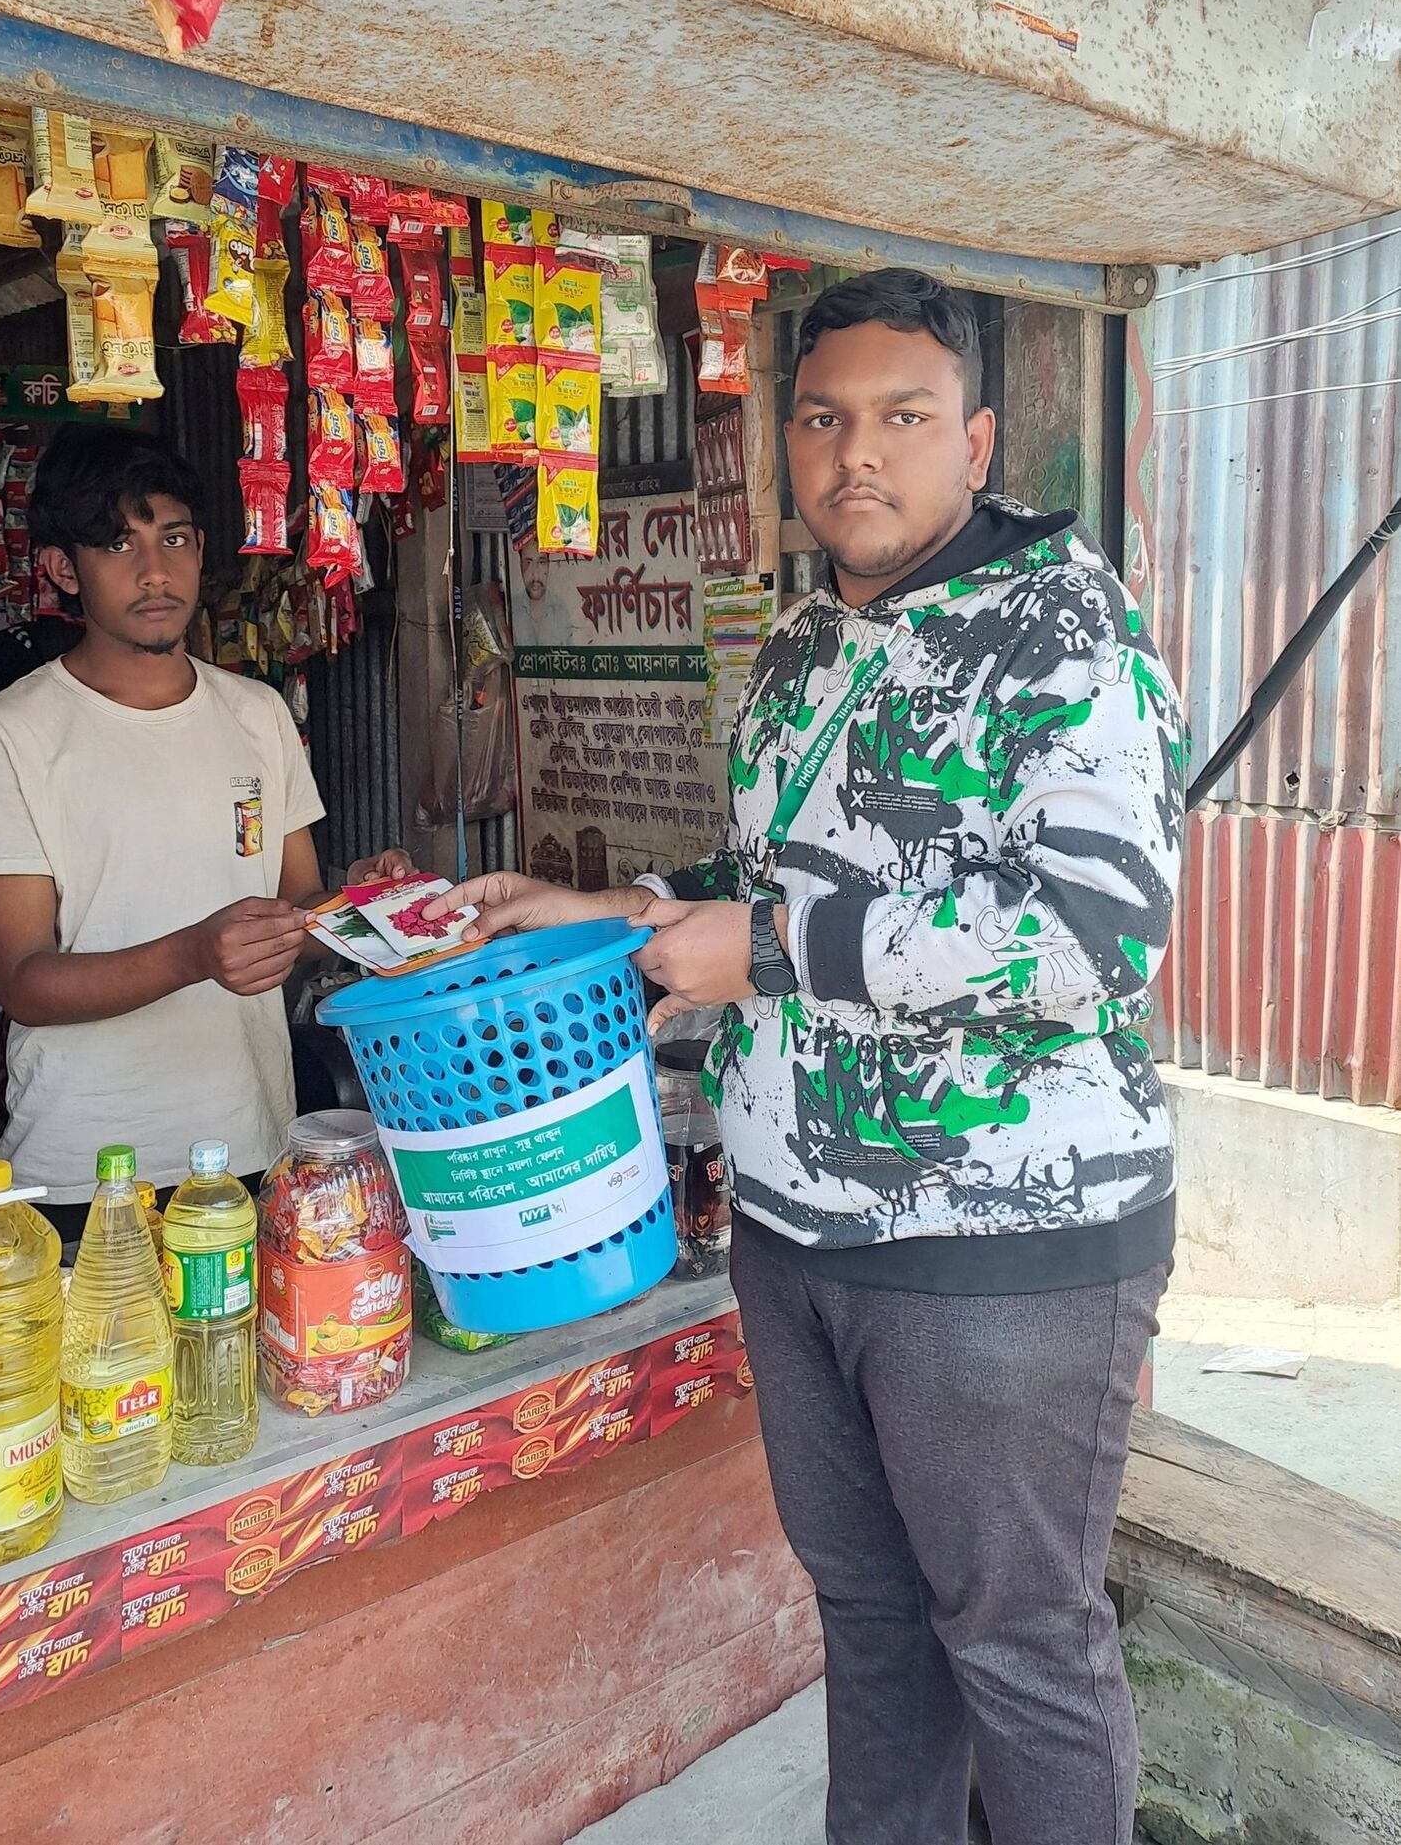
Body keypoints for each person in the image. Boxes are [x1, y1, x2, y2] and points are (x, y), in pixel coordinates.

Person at [433, 269, 1187, 1845]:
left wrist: (765, 954)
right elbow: (779, 895)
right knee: (869, 1619)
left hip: (1005, 1244)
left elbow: (1088, 937)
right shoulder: (793, 651)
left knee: (1020, 1646)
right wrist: (610, 908)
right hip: (797, 1233)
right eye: (824, 418)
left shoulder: (1064, 627)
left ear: (974, 440)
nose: (859, 453)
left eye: (904, 418)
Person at [0, 425, 407, 1238]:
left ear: (201, 547)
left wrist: (364, 907)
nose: (154, 572)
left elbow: (294, 918)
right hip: (90, 1173)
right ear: (63, 569)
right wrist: (192, 956)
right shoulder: (5, 736)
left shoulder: (255, 715)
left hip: (253, 1143)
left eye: (172, 537)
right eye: (118, 544)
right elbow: (27, 980)